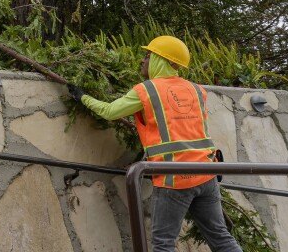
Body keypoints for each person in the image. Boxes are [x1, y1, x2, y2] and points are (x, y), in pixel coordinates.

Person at [68, 36, 242, 252]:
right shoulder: (197, 90)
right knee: (222, 239)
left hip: (174, 178)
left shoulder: (147, 90)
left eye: (148, 56)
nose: (143, 60)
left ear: (161, 60)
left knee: (163, 243)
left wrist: (83, 97)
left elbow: (110, 111)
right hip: (207, 173)